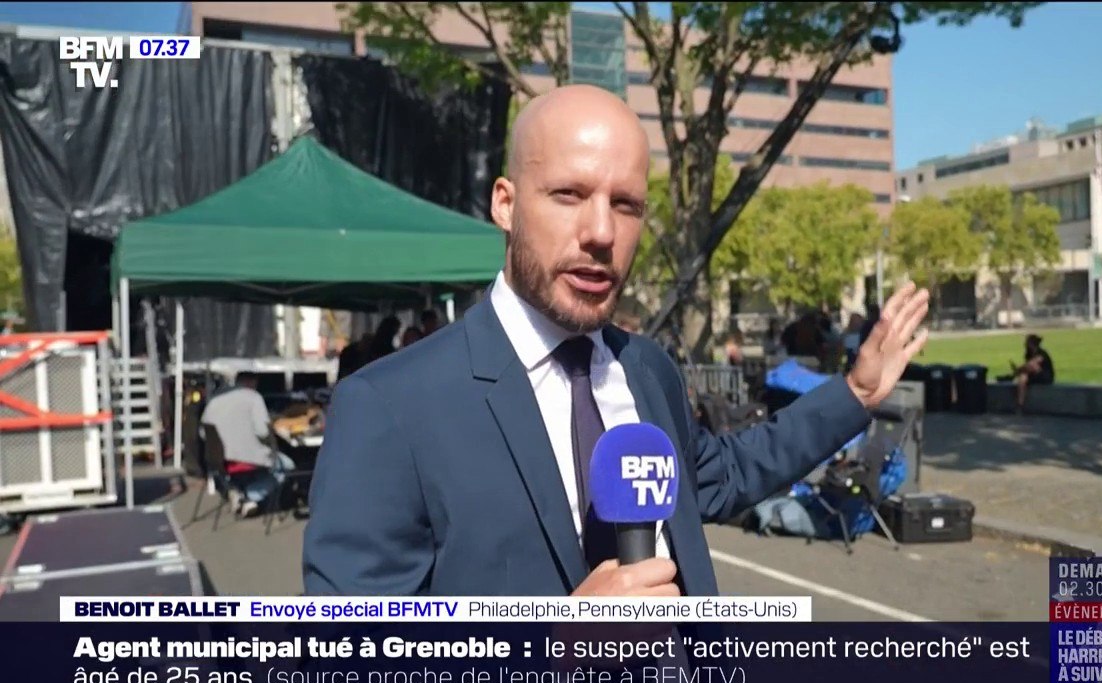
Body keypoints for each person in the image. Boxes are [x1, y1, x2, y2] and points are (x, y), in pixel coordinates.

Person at [303, 84, 928, 601]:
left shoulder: (648, 368)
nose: (601, 231)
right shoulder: (388, 406)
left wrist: (855, 392)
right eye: (569, 195)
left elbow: (723, 475)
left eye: (625, 205)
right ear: (505, 203)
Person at [200, 372, 296, 516]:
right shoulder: (254, 398)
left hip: (219, 459)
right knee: (288, 466)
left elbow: (203, 432)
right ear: (251, 382)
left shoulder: (214, 400)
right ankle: (249, 497)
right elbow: (262, 431)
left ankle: (235, 491)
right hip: (248, 457)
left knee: (252, 468)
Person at [1010, 333, 1054, 413]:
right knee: (1023, 377)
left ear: (1031, 344)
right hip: (1034, 376)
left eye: (1027, 342)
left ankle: (1015, 374)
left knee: (1033, 365)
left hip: (1045, 376)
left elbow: (1032, 363)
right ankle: (1020, 405)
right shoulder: (1028, 354)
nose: (1025, 344)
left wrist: (1018, 370)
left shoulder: (1042, 353)